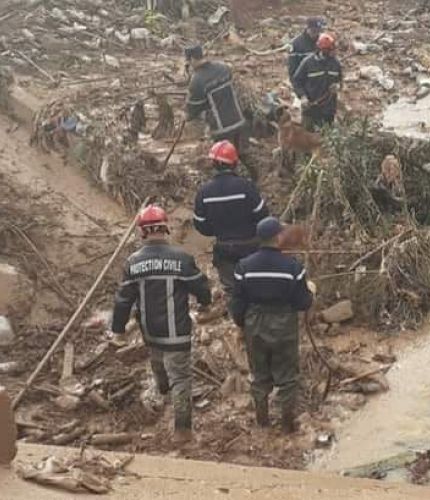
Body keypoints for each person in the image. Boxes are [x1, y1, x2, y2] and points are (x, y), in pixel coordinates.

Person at [111, 205, 211, 444]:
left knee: (158, 365)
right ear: (165, 228)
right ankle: (182, 429)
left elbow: (123, 299)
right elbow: (201, 288)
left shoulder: (133, 263)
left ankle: (163, 390)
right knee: (181, 379)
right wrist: (205, 304)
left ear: (143, 232)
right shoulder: (182, 259)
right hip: (177, 333)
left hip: (150, 332)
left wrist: (118, 328)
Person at [230, 217, 315, 433]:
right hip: (283, 323)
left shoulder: (244, 266)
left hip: (254, 323)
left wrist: (242, 325)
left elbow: (237, 302)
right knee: (287, 376)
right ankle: (287, 425)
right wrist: (311, 292)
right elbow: (302, 302)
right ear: (279, 237)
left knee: (259, 375)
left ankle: (262, 423)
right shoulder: (293, 267)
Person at [193, 140, 269, 309]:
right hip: (251, 247)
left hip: (224, 249)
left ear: (213, 164)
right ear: (234, 163)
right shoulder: (246, 187)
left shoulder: (204, 193)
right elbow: (263, 216)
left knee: (233, 292)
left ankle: (239, 327)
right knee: (254, 288)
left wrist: (218, 230)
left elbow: (200, 224)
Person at [184, 45, 258, 180]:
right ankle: (255, 178)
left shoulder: (197, 80)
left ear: (192, 59)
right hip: (238, 119)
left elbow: (193, 107)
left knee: (224, 159)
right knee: (242, 152)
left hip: (221, 127)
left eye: (188, 62)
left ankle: (231, 184)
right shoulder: (223, 67)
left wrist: (189, 116)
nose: (189, 65)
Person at [292, 33, 343, 131]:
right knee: (307, 138)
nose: (333, 52)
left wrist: (337, 86)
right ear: (322, 50)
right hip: (311, 110)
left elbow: (340, 81)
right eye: (330, 50)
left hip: (328, 110)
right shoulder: (308, 63)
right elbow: (297, 81)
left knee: (326, 140)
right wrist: (302, 97)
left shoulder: (336, 63)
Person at [288, 17, 325, 85]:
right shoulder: (297, 43)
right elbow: (292, 69)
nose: (316, 34)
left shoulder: (323, 41)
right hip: (304, 82)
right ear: (308, 29)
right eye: (313, 31)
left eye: (318, 31)